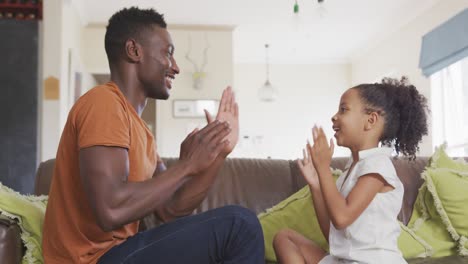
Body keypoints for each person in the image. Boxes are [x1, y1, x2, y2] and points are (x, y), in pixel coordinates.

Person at [42, 7, 264, 264]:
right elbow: (109, 210)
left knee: (241, 225)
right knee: (240, 225)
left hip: (118, 254)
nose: (176, 67)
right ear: (134, 51)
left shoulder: (143, 133)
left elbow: (171, 210)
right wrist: (186, 165)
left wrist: (218, 154)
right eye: (168, 53)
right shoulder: (104, 103)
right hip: (91, 260)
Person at [273, 77, 429, 264]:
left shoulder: (378, 165)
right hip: (346, 259)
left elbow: (341, 217)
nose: (334, 116)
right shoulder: (352, 170)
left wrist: (323, 168)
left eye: (344, 109)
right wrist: (315, 184)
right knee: (284, 238)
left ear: (370, 120)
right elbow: (334, 234)